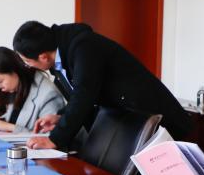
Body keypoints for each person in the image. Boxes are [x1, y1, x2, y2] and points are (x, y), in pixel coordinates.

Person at [12, 21, 191, 150]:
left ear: (43, 57)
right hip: (130, 123)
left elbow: (84, 93)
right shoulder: (58, 59)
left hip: (155, 119)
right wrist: (61, 116)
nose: (29, 66)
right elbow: (79, 95)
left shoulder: (83, 46)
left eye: (27, 61)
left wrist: (55, 139)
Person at [0, 47, 65, 133]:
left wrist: (11, 127)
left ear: (14, 71)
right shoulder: (19, 85)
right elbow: (17, 118)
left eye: (0, 81)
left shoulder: (49, 94)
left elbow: (50, 137)